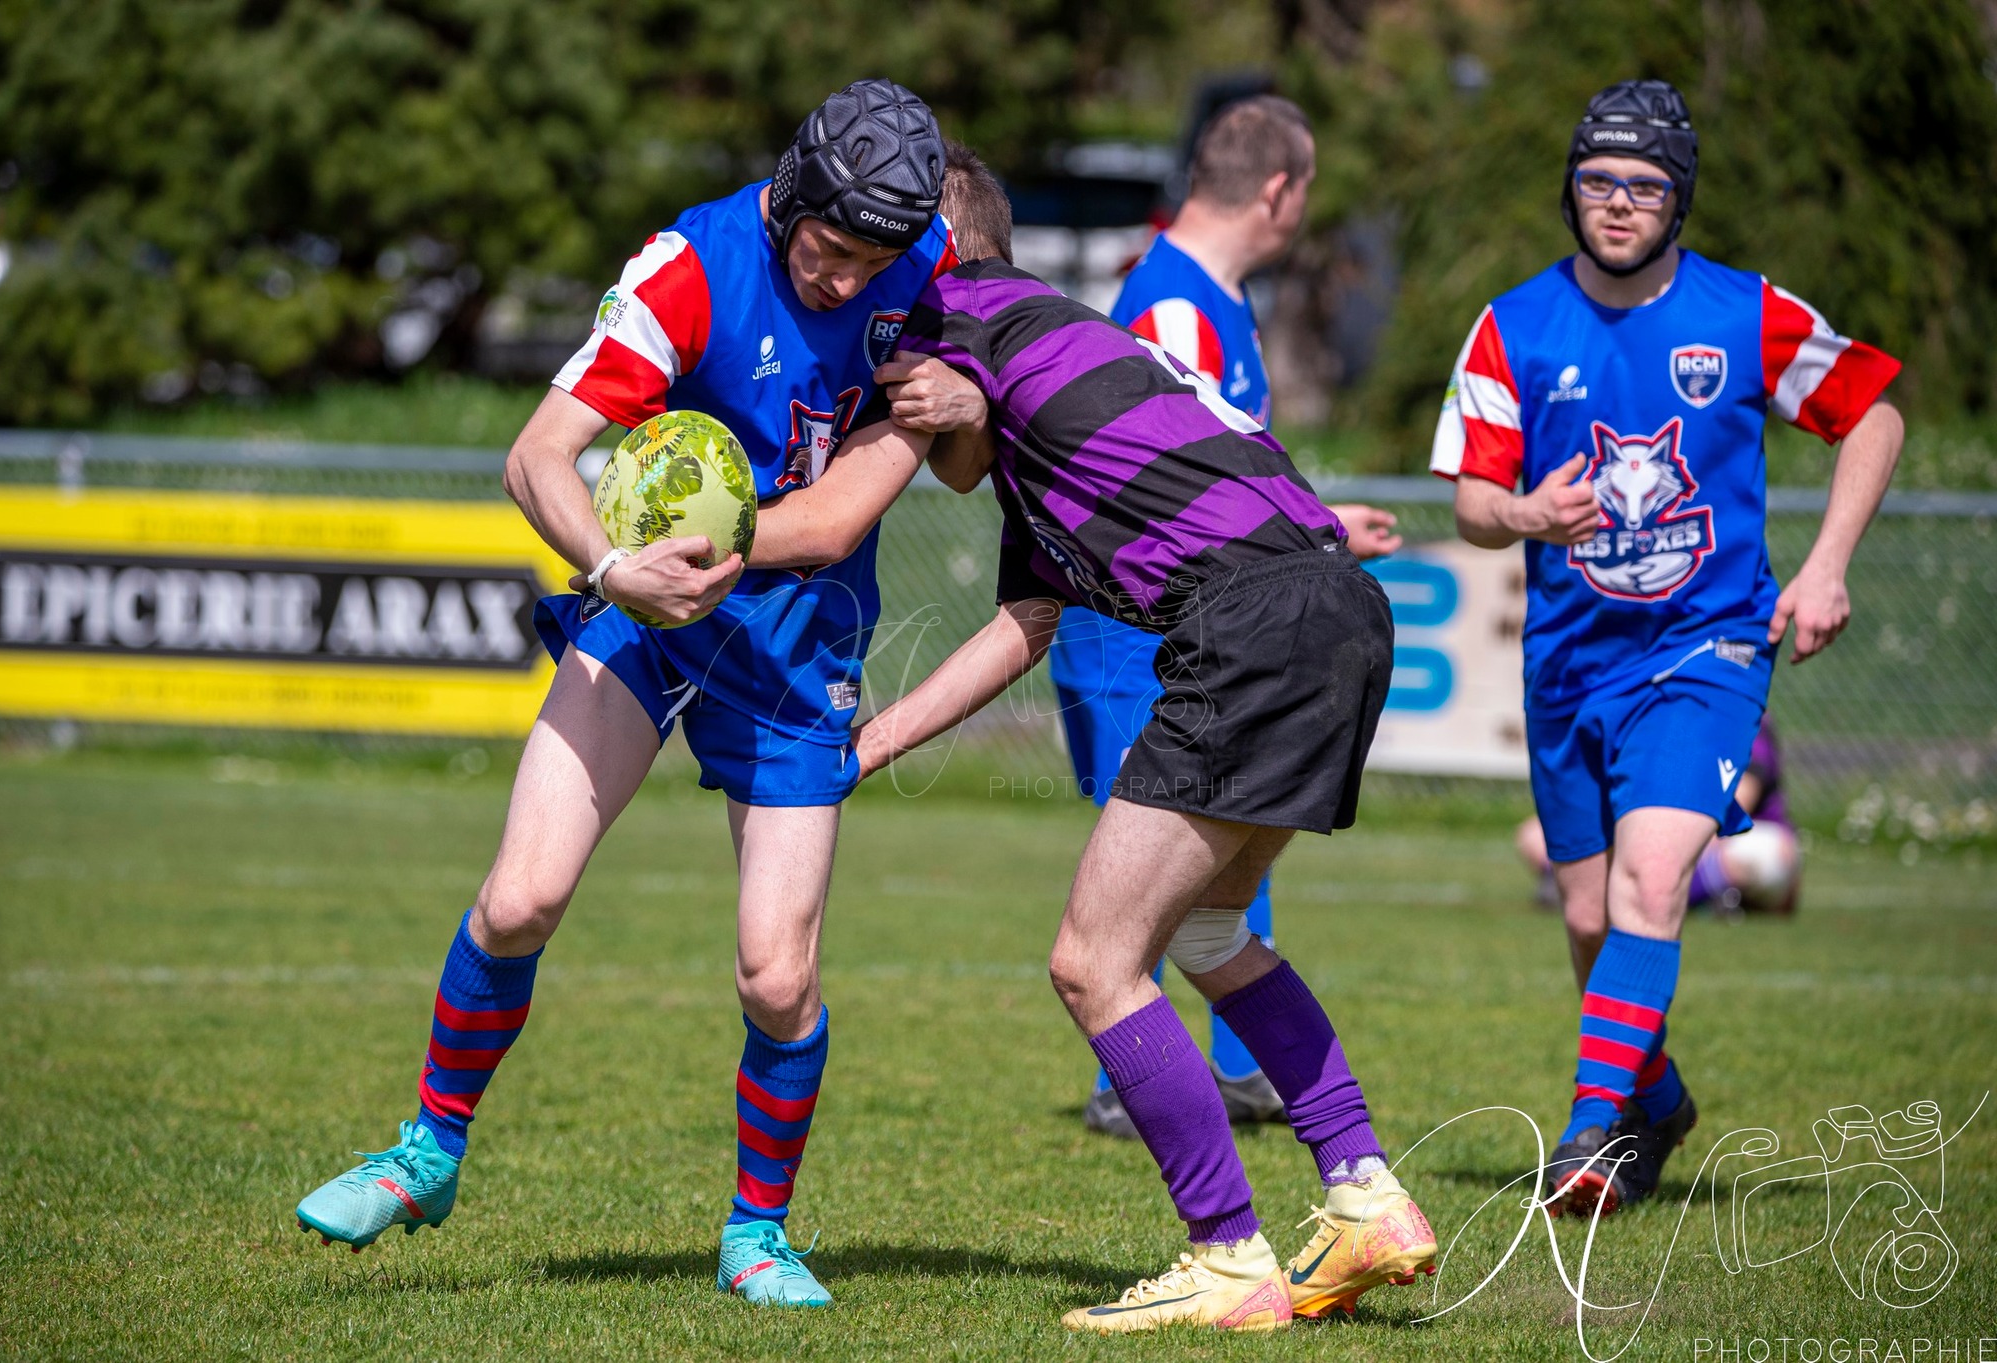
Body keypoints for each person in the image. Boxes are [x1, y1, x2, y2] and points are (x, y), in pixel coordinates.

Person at [291, 80, 957, 1310]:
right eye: (825, 249)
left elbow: (857, 507)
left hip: (796, 634)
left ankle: (756, 1232)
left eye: (870, 261)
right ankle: (427, 1150)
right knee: (521, 893)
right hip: (638, 601)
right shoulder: (686, 270)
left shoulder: (927, 262)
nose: (842, 280)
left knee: (776, 974)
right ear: (789, 196)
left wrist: (959, 405)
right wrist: (612, 567)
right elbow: (535, 453)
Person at [753, 146, 1438, 1334]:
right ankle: (1362, 1192)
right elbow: (1020, 626)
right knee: (1212, 928)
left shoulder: (962, 306)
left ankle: (1226, 1255)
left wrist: (944, 392)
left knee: (1092, 960)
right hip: (1334, 611)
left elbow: (902, 439)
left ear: (934, 251)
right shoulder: (1052, 387)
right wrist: (866, 749)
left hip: (1250, 628)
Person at [1430, 80, 1902, 1216]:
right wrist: (1528, 516)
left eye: (1643, 186)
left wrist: (1825, 564)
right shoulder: (1511, 325)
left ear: (1676, 200)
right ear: (1570, 191)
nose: (1617, 203)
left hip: (1706, 650)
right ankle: (1658, 1098)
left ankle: (1592, 1133)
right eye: (1597, 181)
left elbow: (1873, 407)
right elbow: (1473, 503)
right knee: (1588, 920)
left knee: (1652, 882)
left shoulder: (1743, 314)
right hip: (1566, 665)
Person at [1061, 95, 1403, 1139]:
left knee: (1220, 841)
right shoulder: (1170, 308)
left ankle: (1236, 1066)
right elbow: (1164, 488)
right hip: (1143, 638)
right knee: (1169, 857)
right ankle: (1135, 1074)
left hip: (1204, 626)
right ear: (1279, 189)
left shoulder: (1214, 298)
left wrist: (1313, 518)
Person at [1516, 715, 1800, 917]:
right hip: (1661, 838)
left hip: (1722, 840)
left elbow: (1732, 807)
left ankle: (1625, 896)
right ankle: (1680, 895)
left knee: (1767, 855)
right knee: (1536, 835)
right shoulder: (1657, 716)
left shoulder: (1744, 717)